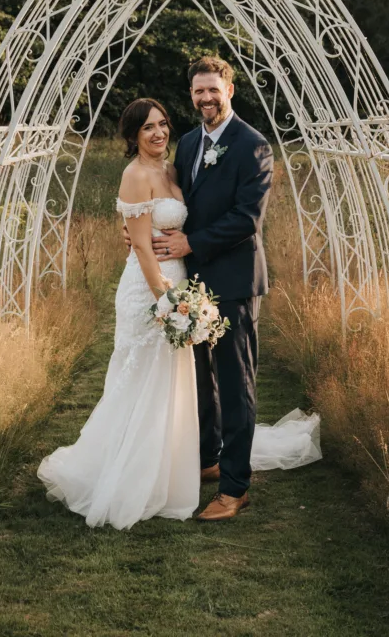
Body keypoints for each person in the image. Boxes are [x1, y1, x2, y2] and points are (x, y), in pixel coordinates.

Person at [37, 98, 200, 530]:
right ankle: (126, 476)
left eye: (163, 124)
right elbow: (142, 245)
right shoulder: (135, 174)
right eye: (148, 128)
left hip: (177, 277)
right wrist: (164, 298)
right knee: (140, 378)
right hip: (150, 288)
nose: (158, 133)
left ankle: (166, 469)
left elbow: (150, 225)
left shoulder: (170, 169)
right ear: (132, 136)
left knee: (168, 380)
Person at [148, 56, 276, 521]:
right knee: (201, 378)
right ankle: (208, 458)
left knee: (236, 383)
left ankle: (236, 488)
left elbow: (247, 218)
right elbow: (177, 204)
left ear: (230, 91)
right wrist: (142, 233)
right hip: (193, 281)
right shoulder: (186, 143)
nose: (205, 98)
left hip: (235, 282)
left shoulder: (253, 146)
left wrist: (192, 242)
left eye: (213, 90)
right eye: (198, 92)